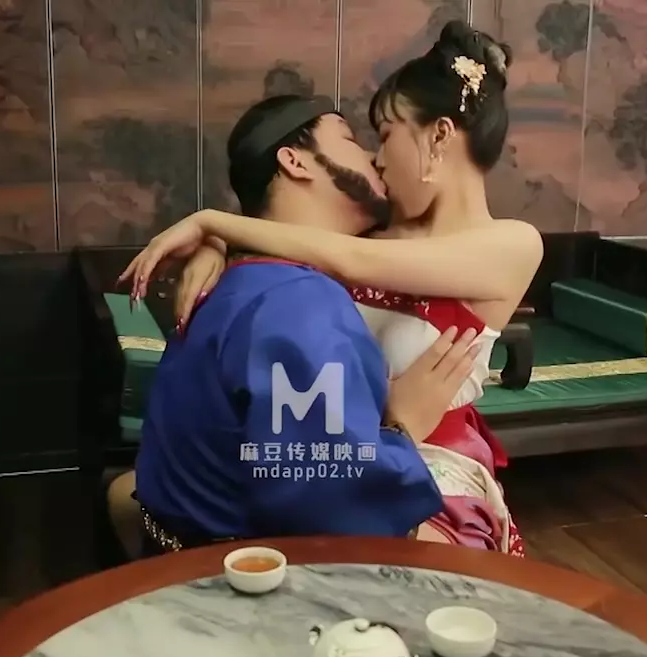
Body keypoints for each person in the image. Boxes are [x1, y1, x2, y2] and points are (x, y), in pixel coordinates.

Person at [120, 21, 543, 556]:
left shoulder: (512, 243)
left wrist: (213, 223)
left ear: (438, 136)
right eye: (363, 141)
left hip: (431, 460)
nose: (376, 158)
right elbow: (300, 236)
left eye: (384, 135)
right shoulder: (371, 230)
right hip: (345, 443)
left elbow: (345, 258)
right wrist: (219, 247)